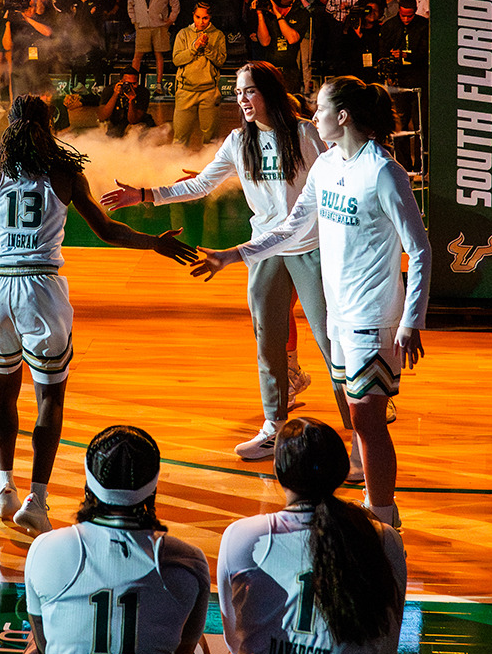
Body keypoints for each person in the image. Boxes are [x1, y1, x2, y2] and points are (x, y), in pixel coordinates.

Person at [0, 96, 197, 535]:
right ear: (50, 126)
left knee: (3, 389)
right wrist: (155, 243)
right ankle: (38, 499)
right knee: (49, 395)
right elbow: (107, 230)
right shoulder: (64, 173)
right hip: (40, 287)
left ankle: (3, 489)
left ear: (9, 126)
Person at [193, 77, 429, 528]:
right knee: (361, 420)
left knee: (368, 423)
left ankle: (383, 516)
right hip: (339, 313)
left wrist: (410, 321)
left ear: (342, 117)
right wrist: (232, 254)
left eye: (320, 110)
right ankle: (372, 505)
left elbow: (419, 249)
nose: (313, 116)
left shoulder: (383, 171)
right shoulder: (326, 168)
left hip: (372, 314)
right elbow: (288, 228)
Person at [103, 63, 349, 466]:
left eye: (249, 91)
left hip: (311, 248)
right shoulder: (238, 141)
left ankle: (355, 426)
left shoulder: (305, 133)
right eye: (237, 93)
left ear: (269, 91)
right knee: (267, 343)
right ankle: (274, 426)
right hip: (264, 250)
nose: (242, 100)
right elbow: (200, 185)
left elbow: (342, 176)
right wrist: (146, 194)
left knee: (329, 340)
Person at [217, 418, 406, 654]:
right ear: (342, 471)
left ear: (278, 471)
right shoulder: (384, 537)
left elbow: (235, 640)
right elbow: (387, 645)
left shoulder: (243, 536)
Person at [23, 426, 211, 654]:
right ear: (153, 486)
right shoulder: (189, 561)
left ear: (89, 481)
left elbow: (43, 646)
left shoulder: (45, 547)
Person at [169, 3, 226, 150]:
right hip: (185, 91)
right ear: (193, 15)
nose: (201, 21)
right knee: (179, 140)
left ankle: (210, 171)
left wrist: (207, 48)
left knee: (211, 140)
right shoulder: (183, 34)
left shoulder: (218, 35)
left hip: (209, 92)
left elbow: (220, 61)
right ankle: (175, 170)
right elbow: (177, 60)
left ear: (210, 18)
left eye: (205, 18)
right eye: (198, 17)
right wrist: (194, 48)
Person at [128, 0, 180, 87]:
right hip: (142, 26)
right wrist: (133, 20)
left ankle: (158, 84)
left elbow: (175, 4)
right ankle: (132, 83)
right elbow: (130, 4)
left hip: (159, 26)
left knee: (159, 55)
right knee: (137, 55)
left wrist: (170, 20)